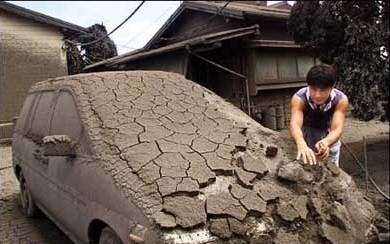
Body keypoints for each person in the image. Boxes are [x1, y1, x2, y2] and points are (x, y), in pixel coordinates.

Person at [290, 64, 349, 166]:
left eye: (322, 90)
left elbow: (337, 129)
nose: (317, 95)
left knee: (331, 172)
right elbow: (295, 124)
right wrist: (300, 143)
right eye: (313, 89)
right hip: (305, 134)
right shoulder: (299, 98)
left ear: (331, 88)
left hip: (328, 134)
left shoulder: (341, 100)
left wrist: (326, 143)